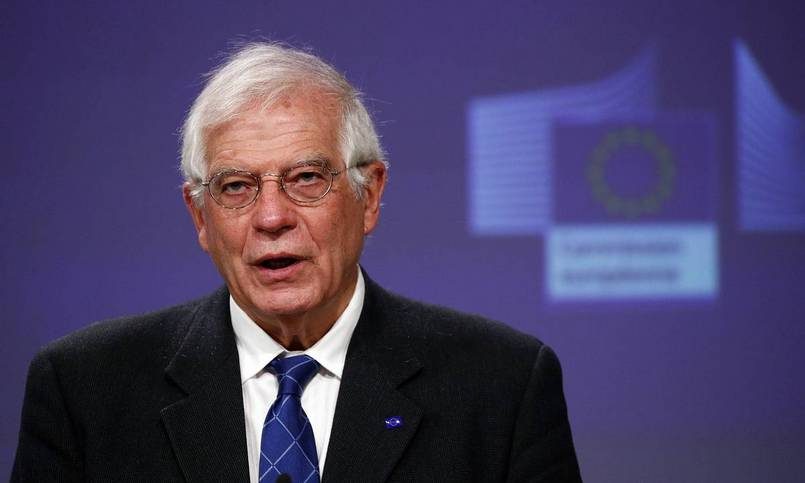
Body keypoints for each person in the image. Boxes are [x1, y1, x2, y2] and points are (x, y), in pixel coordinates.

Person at [12, 42, 582, 482]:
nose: (271, 217)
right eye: (236, 186)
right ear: (200, 216)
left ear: (369, 195)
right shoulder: (84, 389)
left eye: (306, 178)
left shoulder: (501, 387)